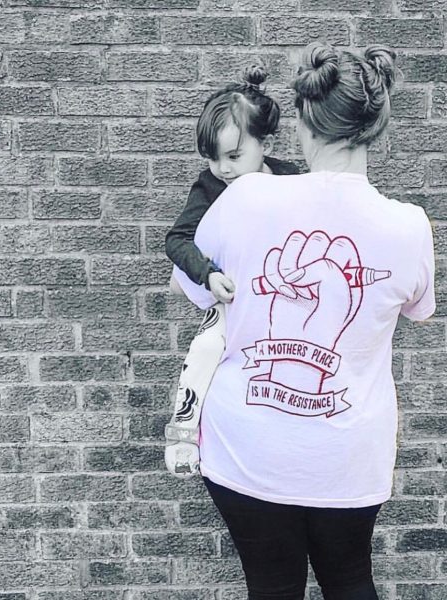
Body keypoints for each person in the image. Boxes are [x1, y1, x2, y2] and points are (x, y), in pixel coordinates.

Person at [171, 43, 436, 600]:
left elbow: (186, 284)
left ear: (302, 123)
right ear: (375, 127)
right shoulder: (409, 226)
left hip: (249, 447)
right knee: (350, 580)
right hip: (349, 453)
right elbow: (417, 308)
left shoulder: (245, 198)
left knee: (272, 586)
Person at [164, 65, 299, 478]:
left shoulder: (293, 180)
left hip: (282, 299)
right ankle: (185, 425)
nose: (223, 168)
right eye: (213, 158)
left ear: (265, 144)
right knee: (206, 349)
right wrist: (207, 274)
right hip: (232, 296)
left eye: (234, 156)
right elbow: (177, 240)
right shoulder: (210, 187)